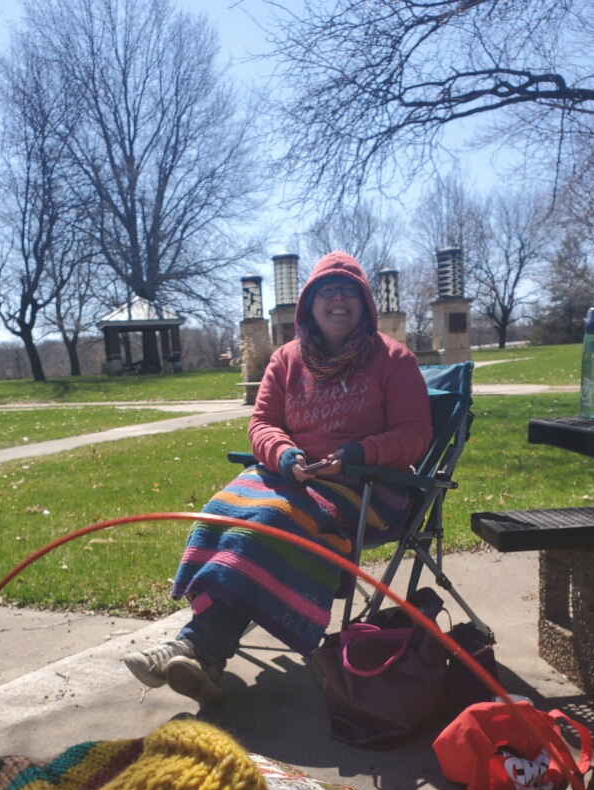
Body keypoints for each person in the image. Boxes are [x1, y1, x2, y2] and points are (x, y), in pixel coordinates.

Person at [124, 251, 433, 703]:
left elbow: (415, 434)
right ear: (309, 303)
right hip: (294, 477)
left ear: (366, 303)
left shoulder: (394, 359)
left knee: (272, 521)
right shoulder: (286, 359)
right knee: (220, 513)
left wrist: (357, 454)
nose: (338, 300)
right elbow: (263, 424)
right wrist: (284, 455)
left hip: (369, 486)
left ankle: (198, 647)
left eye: (349, 291)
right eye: (327, 291)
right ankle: (198, 651)